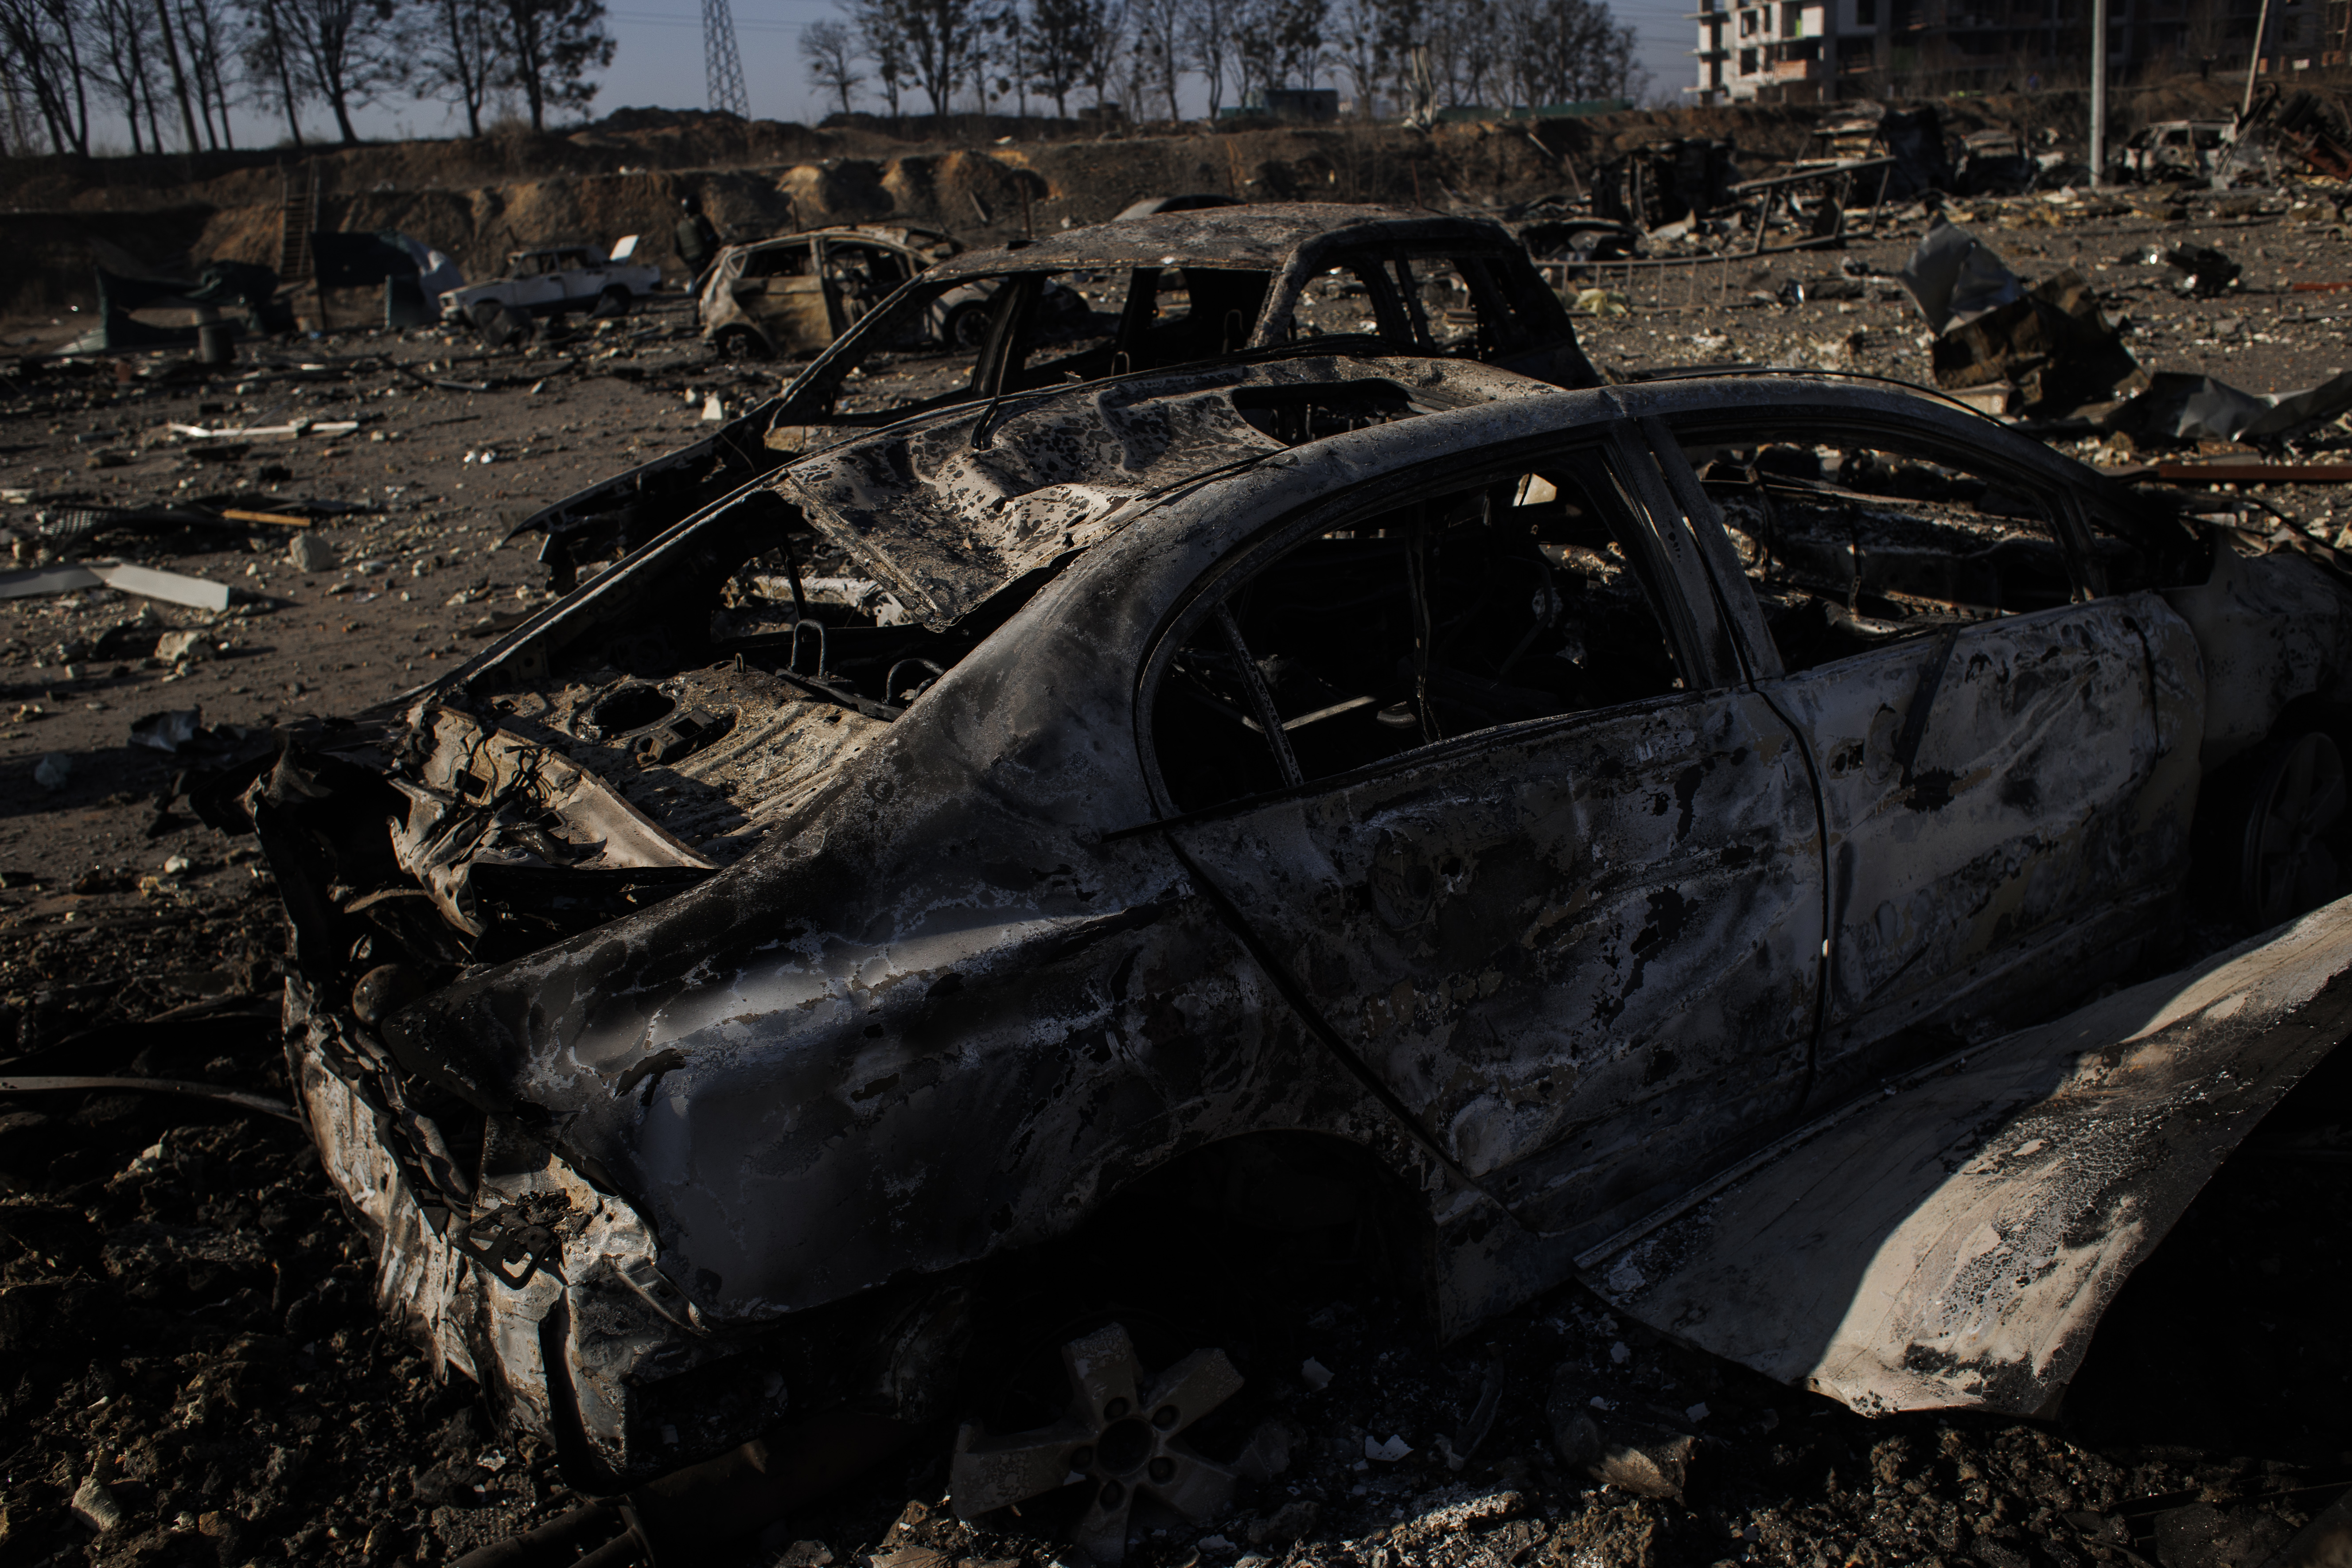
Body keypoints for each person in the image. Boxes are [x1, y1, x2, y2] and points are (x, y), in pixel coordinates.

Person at [675, 195, 723, 292]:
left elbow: (677, 250)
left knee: (702, 288)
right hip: (706, 260)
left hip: (693, 263)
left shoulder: (680, 226)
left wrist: (688, 261)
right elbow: (712, 239)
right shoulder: (700, 220)